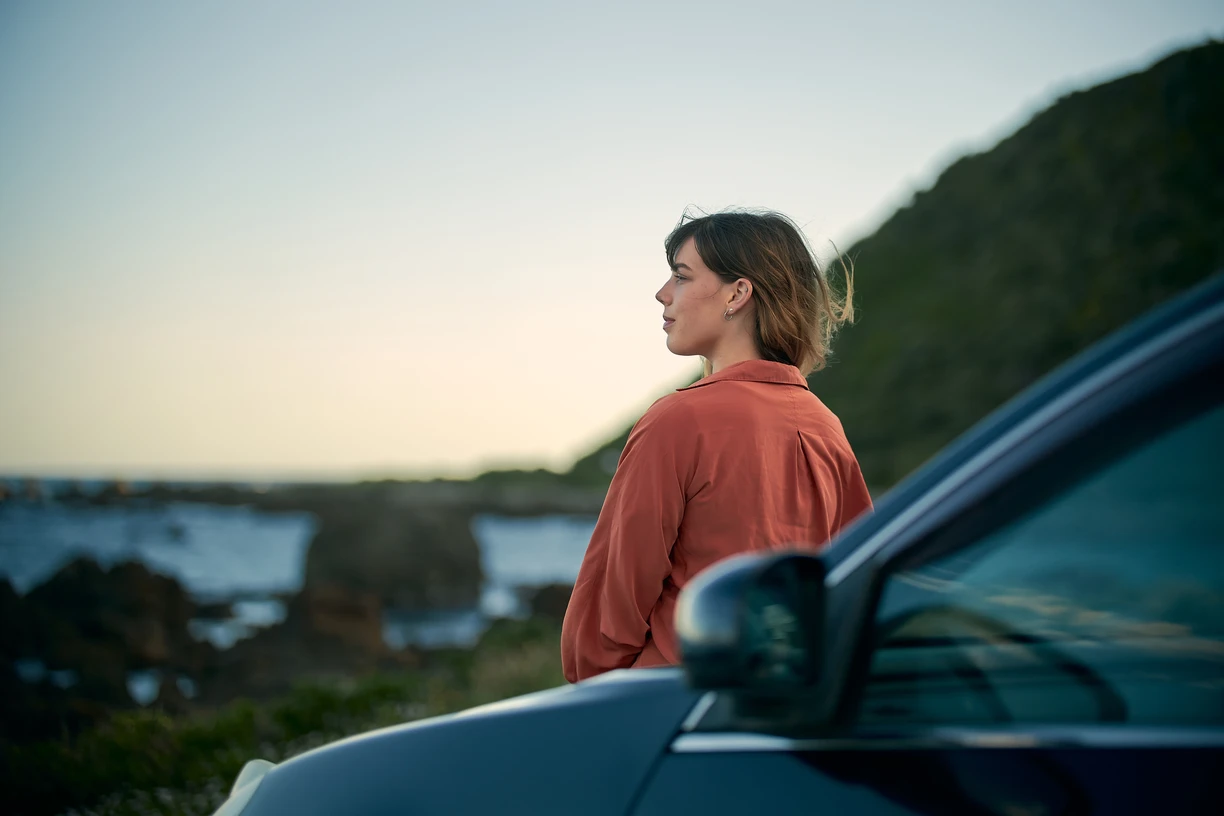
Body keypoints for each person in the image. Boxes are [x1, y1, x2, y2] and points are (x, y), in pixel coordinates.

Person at [560, 209, 874, 683]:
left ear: (738, 293)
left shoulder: (678, 421)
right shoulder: (827, 427)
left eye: (681, 277)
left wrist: (598, 695)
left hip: (672, 705)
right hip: (787, 710)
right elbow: (855, 588)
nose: (663, 293)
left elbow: (609, 612)